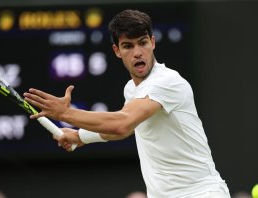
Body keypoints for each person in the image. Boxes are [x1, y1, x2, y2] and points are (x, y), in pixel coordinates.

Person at [24, 9, 230, 198]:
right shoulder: (132, 89)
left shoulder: (167, 82)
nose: (138, 52)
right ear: (117, 51)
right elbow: (123, 130)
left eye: (143, 42)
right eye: (128, 46)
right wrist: (79, 136)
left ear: (153, 42)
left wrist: (65, 114)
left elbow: (121, 123)